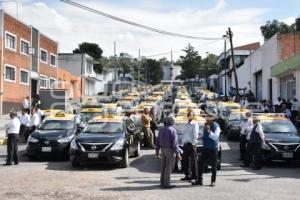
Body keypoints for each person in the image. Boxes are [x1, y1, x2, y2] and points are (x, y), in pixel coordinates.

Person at [192, 115, 220, 187]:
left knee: (213, 166)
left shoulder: (217, 127)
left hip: (213, 149)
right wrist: (199, 138)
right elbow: (204, 135)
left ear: (212, 120)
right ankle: (199, 180)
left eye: (207, 120)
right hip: (205, 148)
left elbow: (215, 137)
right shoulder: (206, 125)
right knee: (200, 163)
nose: (206, 121)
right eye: (206, 120)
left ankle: (213, 181)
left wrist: (209, 131)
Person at [156, 115, 181, 189]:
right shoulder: (173, 130)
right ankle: (166, 184)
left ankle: (162, 182)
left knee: (163, 166)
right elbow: (175, 143)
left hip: (162, 150)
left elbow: (157, 141)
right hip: (170, 150)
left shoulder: (161, 129)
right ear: (172, 122)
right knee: (168, 167)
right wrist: (178, 154)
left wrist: (157, 151)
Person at [181, 111, 199, 181]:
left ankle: (194, 176)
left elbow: (195, 135)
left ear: (193, 116)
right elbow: (184, 134)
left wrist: (194, 144)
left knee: (193, 162)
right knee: (185, 161)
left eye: (190, 115)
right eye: (188, 115)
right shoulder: (186, 124)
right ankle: (187, 175)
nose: (189, 116)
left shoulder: (194, 124)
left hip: (191, 144)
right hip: (185, 144)